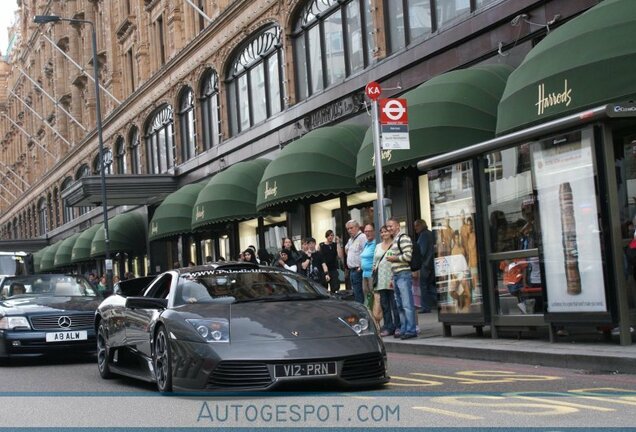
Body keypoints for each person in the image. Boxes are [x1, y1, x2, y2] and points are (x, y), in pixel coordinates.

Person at [385, 217, 417, 339]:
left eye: (391, 226)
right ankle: (404, 329)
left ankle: (411, 330)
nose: (389, 229)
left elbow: (408, 256)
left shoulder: (403, 238)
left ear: (398, 226)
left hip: (403, 274)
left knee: (407, 304)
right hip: (397, 275)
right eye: (388, 227)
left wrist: (395, 259)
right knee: (400, 305)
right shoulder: (395, 240)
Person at [374, 225, 400, 337]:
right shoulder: (378, 246)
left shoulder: (395, 244)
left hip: (392, 278)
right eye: (382, 232)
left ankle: (398, 326)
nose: (384, 234)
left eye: (386, 232)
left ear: (390, 233)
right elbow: (375, 262)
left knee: (395, 304)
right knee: (384, 305)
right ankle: (388, 327)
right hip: (380, 280)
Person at [414, 219, 436, 313]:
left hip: (425, 265)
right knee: (431, 286)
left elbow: (421, 252)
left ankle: (426, 307)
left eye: (417, 226)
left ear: (421, 225)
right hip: (432, 264)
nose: (415, 228)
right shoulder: (430, 234)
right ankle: (438, 302)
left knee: (424, 286)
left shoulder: (423, 235)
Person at [344, 219, 366, 304]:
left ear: (357, 227)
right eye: (348, 229)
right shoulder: (351, 239)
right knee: (356, 293)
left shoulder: (362, 237)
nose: (349, 230)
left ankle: (362, 314)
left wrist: (360, 266)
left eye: (351, 228)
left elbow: (366, 251)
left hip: (358, 270)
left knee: (359, 294)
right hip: (352, 270)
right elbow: (346, 249)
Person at [360, 224, 377, 311]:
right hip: (364, 274)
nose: (367, 233)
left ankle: (376, 316)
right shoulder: (366, 243)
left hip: (372, 274)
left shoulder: (376, 243)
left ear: (374, 232)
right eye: (366, 231)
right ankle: (370, 315)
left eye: (369, 231)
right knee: (367, 297)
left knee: (373, 297)